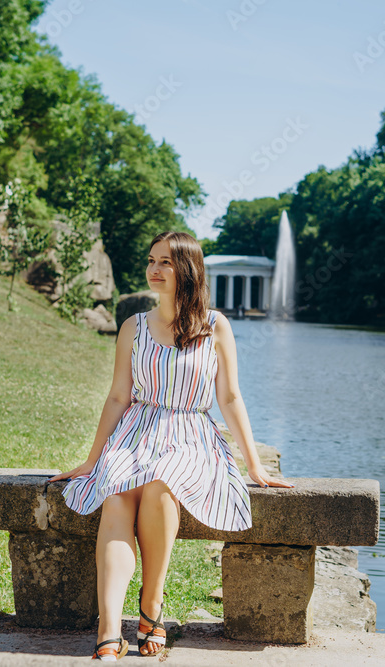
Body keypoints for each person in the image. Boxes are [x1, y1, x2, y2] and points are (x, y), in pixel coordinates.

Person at [48, 230, 294, 661]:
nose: (155, 270)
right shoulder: (133, 327)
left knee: (163, 487)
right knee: (117, 495)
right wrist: (92, 460)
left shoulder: (216, 326)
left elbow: (230, 397)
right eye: (151, 260)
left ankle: (151, 606)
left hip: (191, 435)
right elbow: (118, 397)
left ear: (188, 269)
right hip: (135, 431)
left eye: (165, 262)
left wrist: (253, 465)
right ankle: (109, 627)